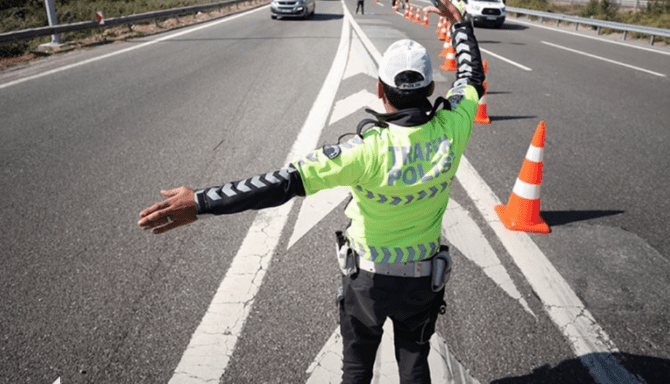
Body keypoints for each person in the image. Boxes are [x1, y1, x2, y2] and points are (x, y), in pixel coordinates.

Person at [138, 0, 485, 381]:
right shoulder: (454, 128)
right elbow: (471, 77)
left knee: (356, 368)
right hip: (423, 280)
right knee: (415, 363)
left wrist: (200, 202)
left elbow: (279, 183)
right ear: (431, 88)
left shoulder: (363, 151)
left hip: (367, 282)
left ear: (379, 89)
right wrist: (460, 25)